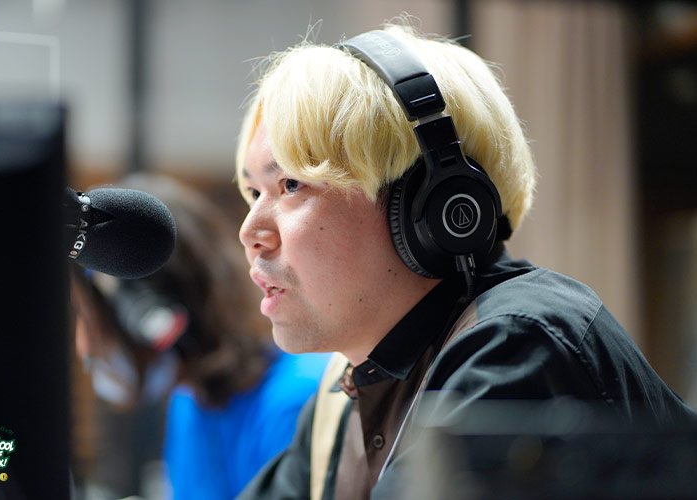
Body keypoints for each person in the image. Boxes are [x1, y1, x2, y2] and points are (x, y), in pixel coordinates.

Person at [233, 21, 697, 500]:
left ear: (429, 204)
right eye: (253, 192)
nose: (250, 232)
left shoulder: (520, 344)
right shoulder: (344, 392)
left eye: (290, 185)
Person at [69, 173, 329, 500]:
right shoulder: (191, 401)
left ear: (151, 311)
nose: (83, 346)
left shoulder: (296, 401)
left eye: (89, 322)